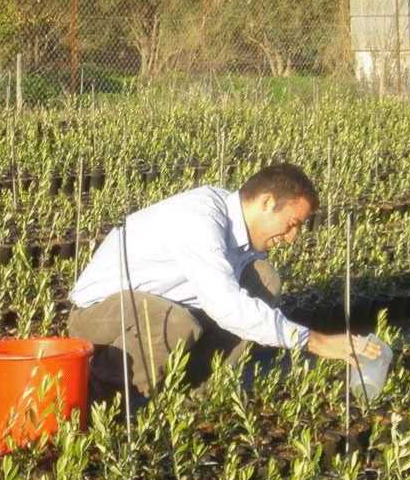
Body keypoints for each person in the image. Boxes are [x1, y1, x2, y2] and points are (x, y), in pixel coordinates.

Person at [67, 162, 379, 401]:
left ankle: (197, 394)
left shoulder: (243, 234)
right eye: (292, 224)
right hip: (99, 317)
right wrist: (317, 342)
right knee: (177, 322)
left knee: (263, 279)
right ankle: (115, 399)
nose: (292, 237)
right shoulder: (200, 219)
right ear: (267, 203)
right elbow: (226, 305)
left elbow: (240, 304)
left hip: (158, 307)